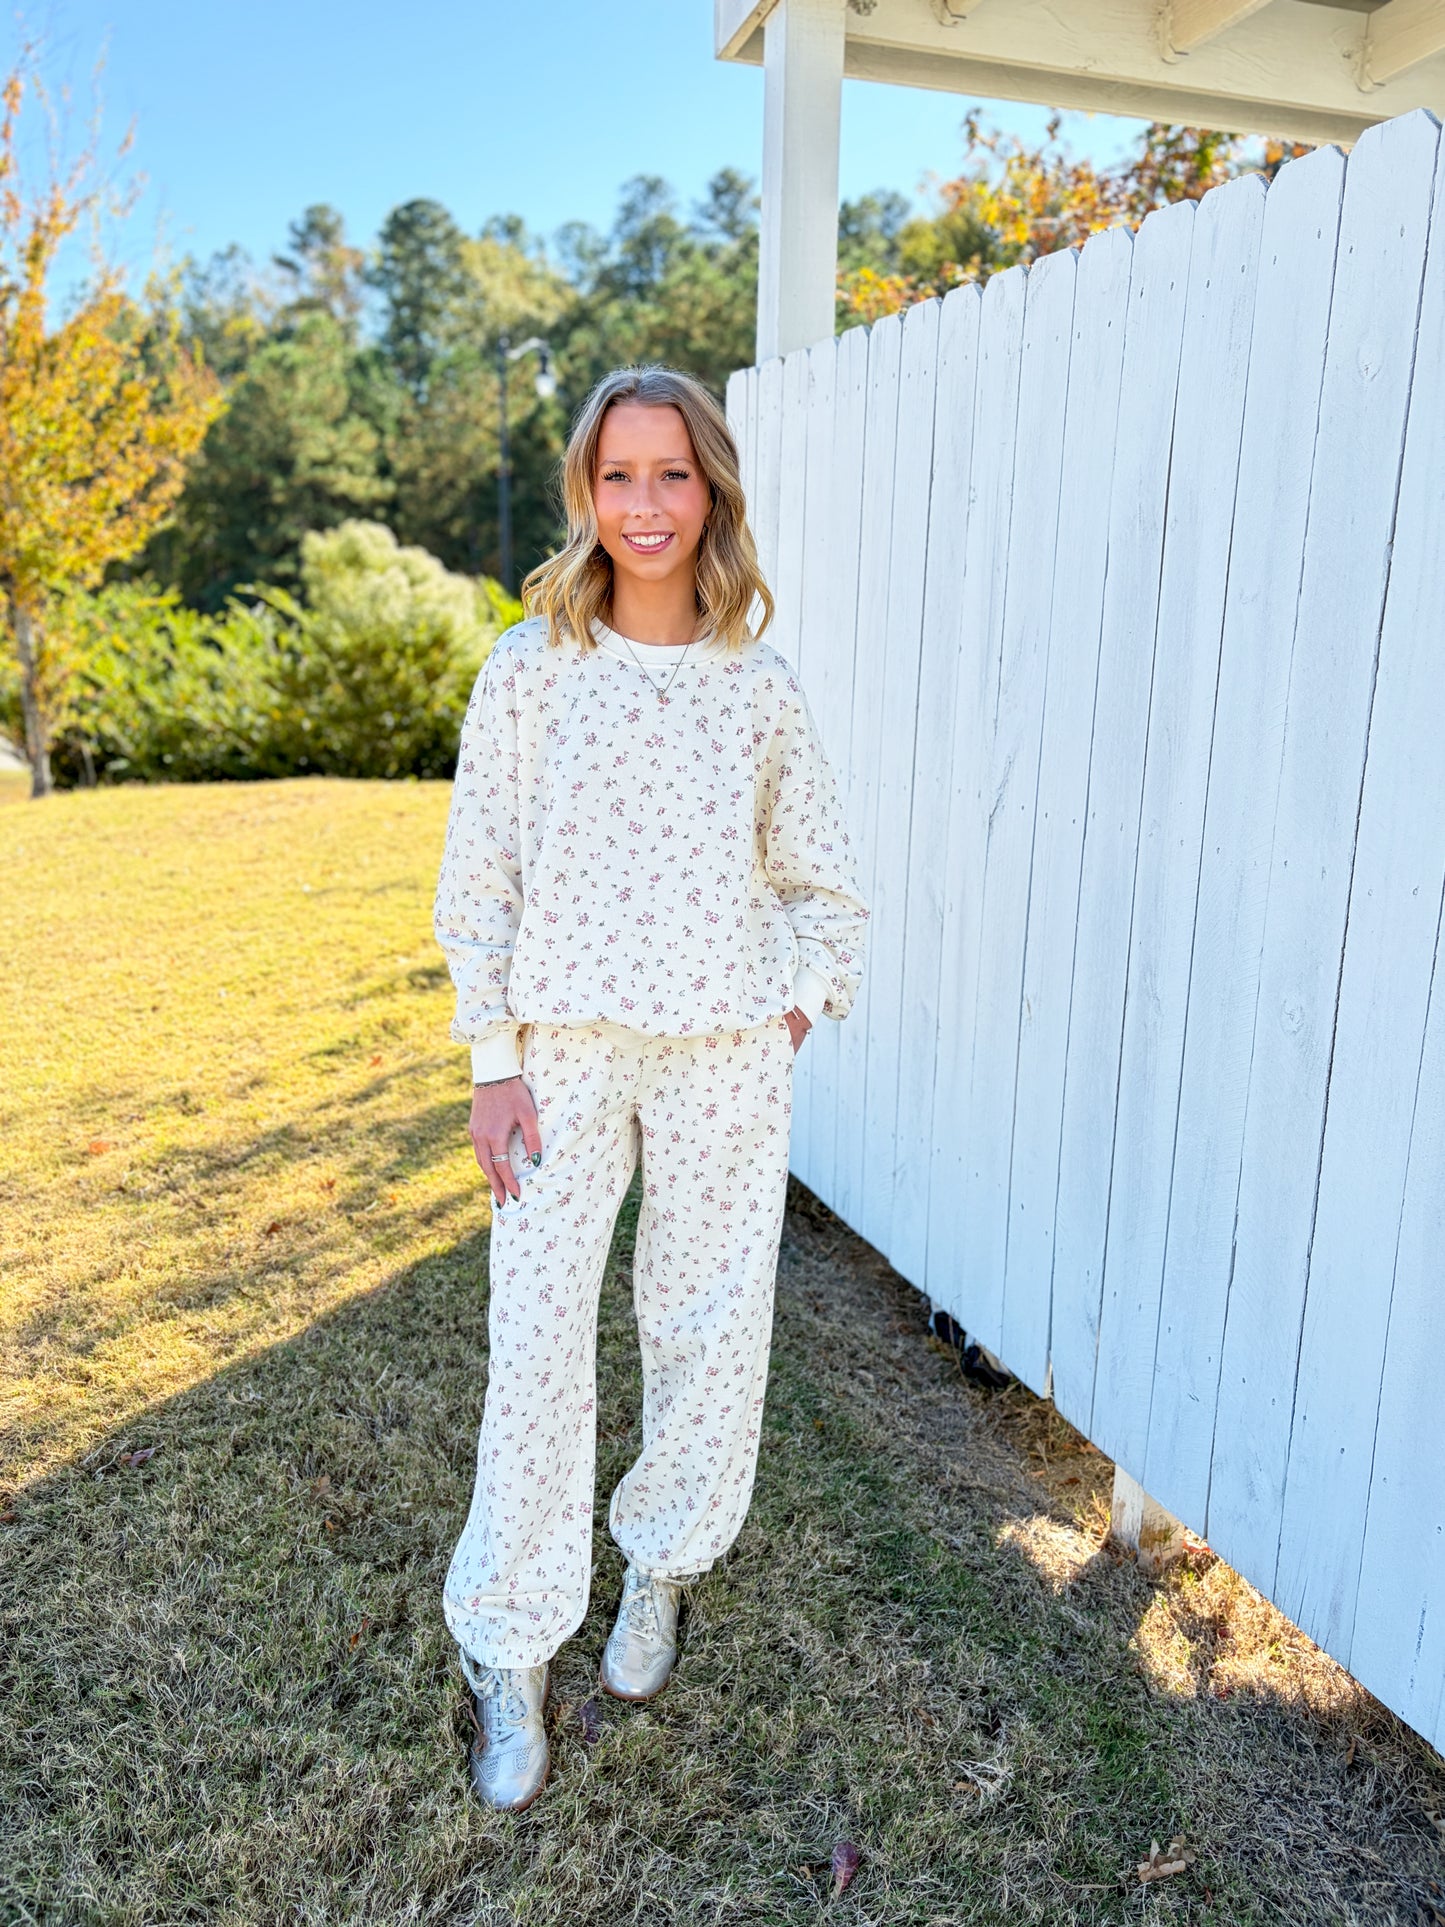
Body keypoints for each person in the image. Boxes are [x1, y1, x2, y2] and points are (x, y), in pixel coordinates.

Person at [433, 363, 870, 1812]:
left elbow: (826, 889)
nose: (643, 506)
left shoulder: (759, 691)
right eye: (617, 476)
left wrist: (789, 1012)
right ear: (585, 490)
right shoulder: (529, 669)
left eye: (670, 475)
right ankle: (509, 1643)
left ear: (711, 490)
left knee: (704, 1317)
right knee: (539, 1333)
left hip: (721, 1056)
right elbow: (477, 877)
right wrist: (491, 1060)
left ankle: (663, 1564)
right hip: (560, 1050)